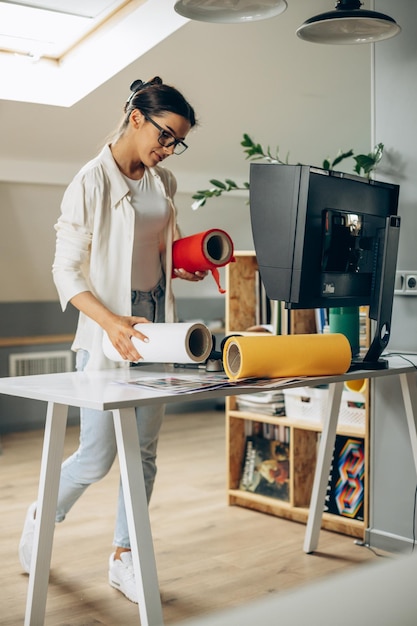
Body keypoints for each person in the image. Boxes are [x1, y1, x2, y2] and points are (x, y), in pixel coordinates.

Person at [18, 76, 206, 604]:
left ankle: (125, 556)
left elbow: (155, 246)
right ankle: (43, 512)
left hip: (157, 327)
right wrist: (110, 323)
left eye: (177, 143)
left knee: (143, 454)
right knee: (98, 456)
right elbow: (65, 271)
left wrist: (179, 268)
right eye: (166, 136)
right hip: (108, 328)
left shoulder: (161, 182)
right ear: (136, 118)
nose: (168, 150)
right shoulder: (90, 181)